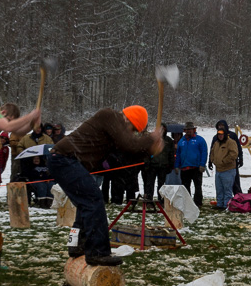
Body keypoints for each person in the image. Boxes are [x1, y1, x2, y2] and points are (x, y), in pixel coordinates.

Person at [48, 105, 164, 266]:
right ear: (129, 119)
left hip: (65, 161)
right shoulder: (110, 116)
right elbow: (130, 144)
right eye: (132, 129)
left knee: (85, 204)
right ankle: (97, 252)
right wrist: (152, 138)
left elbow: (128, 153)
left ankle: (76, 245)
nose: (131, 133)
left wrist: (150, 150)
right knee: (94, 200)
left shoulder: (112, 131)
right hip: (65, 159)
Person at [175, 122, 207, 207]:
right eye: (187, 130)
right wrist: (177, 166)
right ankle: (187, 204)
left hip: (196, 167)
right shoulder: (181, 141)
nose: (188, 131)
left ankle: (198, 203)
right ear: (185, 131)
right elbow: (178, 154)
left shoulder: (200, 140)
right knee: (185, 187)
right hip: (184, 168)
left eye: (190, 129)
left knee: (198, 186)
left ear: (194, 130)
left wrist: (202, 164)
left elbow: (204, 152)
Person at [209, 120, 243, 194]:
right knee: (221, 186)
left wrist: (240, 158)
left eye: (222, 126)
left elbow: (238, 148)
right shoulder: (216, 137)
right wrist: (210, 161)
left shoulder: (232, 135)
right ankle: (222, 202)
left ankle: (238, 199)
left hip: (231, 164)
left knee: (235, 183)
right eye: (219, 126)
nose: (221, 127)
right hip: (220, 166)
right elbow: (212, 150)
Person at [142, 123, 174, 203]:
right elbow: (147, 152)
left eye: (163, 129)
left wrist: (171, 165)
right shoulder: (152, 139)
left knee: (161, 185)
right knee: (150, 184)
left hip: (163, 166)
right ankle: (149, 200)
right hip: (152, 165)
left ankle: (161, 200)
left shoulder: (168, 140)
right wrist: (147, 163)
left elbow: (171, 154)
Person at [209, 129, 238, 210]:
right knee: (219, 189)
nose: (220, 136)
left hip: (228, 170)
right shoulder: (216, 143)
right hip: (218, 170)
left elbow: (234, 154)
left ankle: (226, 205)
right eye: (219, 134)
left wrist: (224, 161)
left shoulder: (231, 142)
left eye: (222, 134)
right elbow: (212, 152)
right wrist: (213, 160)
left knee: (227, 189)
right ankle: (219, 204)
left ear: (225, 134)